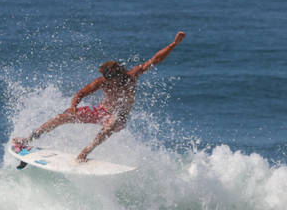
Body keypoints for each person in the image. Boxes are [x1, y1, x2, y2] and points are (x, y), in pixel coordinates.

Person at [13, 31, 186, 162]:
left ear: (119, 73)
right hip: (101, 110)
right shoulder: (102, 81)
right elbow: (80, 93)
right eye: (106, 79)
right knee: (63, 116)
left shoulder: (132, 76)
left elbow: (155, 59)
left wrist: (173, 44)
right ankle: (29, 138)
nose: (107, 82)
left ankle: (86, 152)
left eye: (111, 79)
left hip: (119, 117)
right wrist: (74, 106)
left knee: (111, 124)